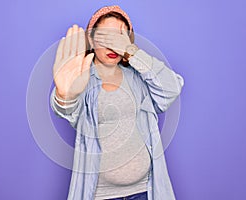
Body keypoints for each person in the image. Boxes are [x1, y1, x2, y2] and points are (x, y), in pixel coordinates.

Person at [50, 5, 184, 200]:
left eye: (120, 38)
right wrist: (64, 95)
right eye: (106, 37)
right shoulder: (82, 80)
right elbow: (67, 110)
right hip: (101, 195)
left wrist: (132, 52)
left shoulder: (138, 79)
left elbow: (171, 87)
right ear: (91, 39)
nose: (113, 47)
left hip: (144, 192)